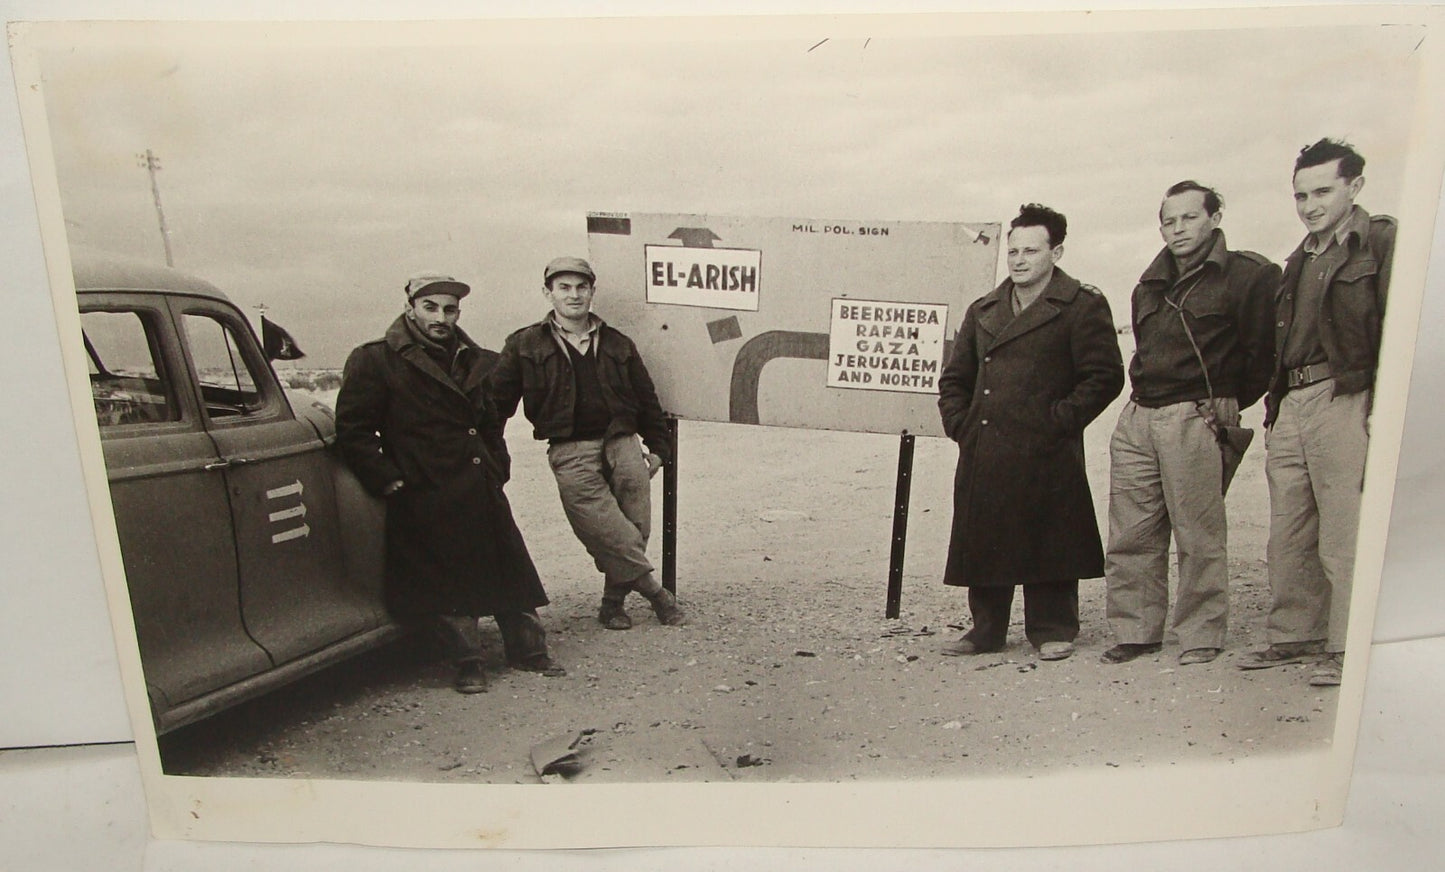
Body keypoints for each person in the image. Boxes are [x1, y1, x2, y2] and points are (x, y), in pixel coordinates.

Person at [334, 273, 564, 694]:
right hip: (426, 489)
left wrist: (497, 466)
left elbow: (491, 422)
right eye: (431, 308)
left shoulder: (479, 358)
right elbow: (353, 431)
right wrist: (390, 481)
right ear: (411, 308)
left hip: (478, 481)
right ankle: (468, 663)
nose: (441, 317)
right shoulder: (375, 359)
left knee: (509, 567)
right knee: (449, 582)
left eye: (450, 309)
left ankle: (528, 651)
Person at [1101, 182, 1279, 666]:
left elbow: (1263, 353)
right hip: (1139, 413)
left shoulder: (1249, 276)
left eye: (1189, 218)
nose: (1177, 229)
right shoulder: (1148, 284)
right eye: (1168, 220)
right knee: (1130, 534)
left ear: (1215, 217)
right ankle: (1136, 631)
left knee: (1198, 533)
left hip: (1194, 415)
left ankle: (1201, 633)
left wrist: (1224, 402)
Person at [938, 204, 1124, 661]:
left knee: (1051, 533)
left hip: (1047, 447)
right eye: (1013, 250)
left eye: (1031, 251)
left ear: (1055, 252)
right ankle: (986, 629)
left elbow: (1104, 377)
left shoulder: (1081, 304)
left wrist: (1059, 420)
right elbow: (954, 379)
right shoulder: (984, 309)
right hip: (986, 444)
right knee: (985, 533)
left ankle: (1052, 627)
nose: (1019, 260)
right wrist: (963, 426)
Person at [1239, 139, 1395, 687]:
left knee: (1345, 529)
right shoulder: (1297, 259)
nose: (1309, 205)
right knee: (1290, 529)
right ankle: (1294, 635)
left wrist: (1382, 403)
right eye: (1301, 194)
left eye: (1322, 191)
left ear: (1355, 187)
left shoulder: (1380, 242)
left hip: (1345, 395)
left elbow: (1401, 329)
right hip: (1294, 403)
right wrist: (1276, 407)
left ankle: (1348, 646)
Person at [488, 256, 685, 631]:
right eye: (564, 287)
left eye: (581, 287)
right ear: (548, 293)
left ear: (592, 292)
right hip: (569, 448)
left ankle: (612, 604)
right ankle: (657, 595)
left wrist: (658, 447)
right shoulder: (524, 344)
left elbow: (646, 398)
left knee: (634, 527)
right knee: (604, 528)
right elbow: (496, 406)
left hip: (623, 441)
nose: (574, 295)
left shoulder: (617, 342)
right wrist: (490, 452)